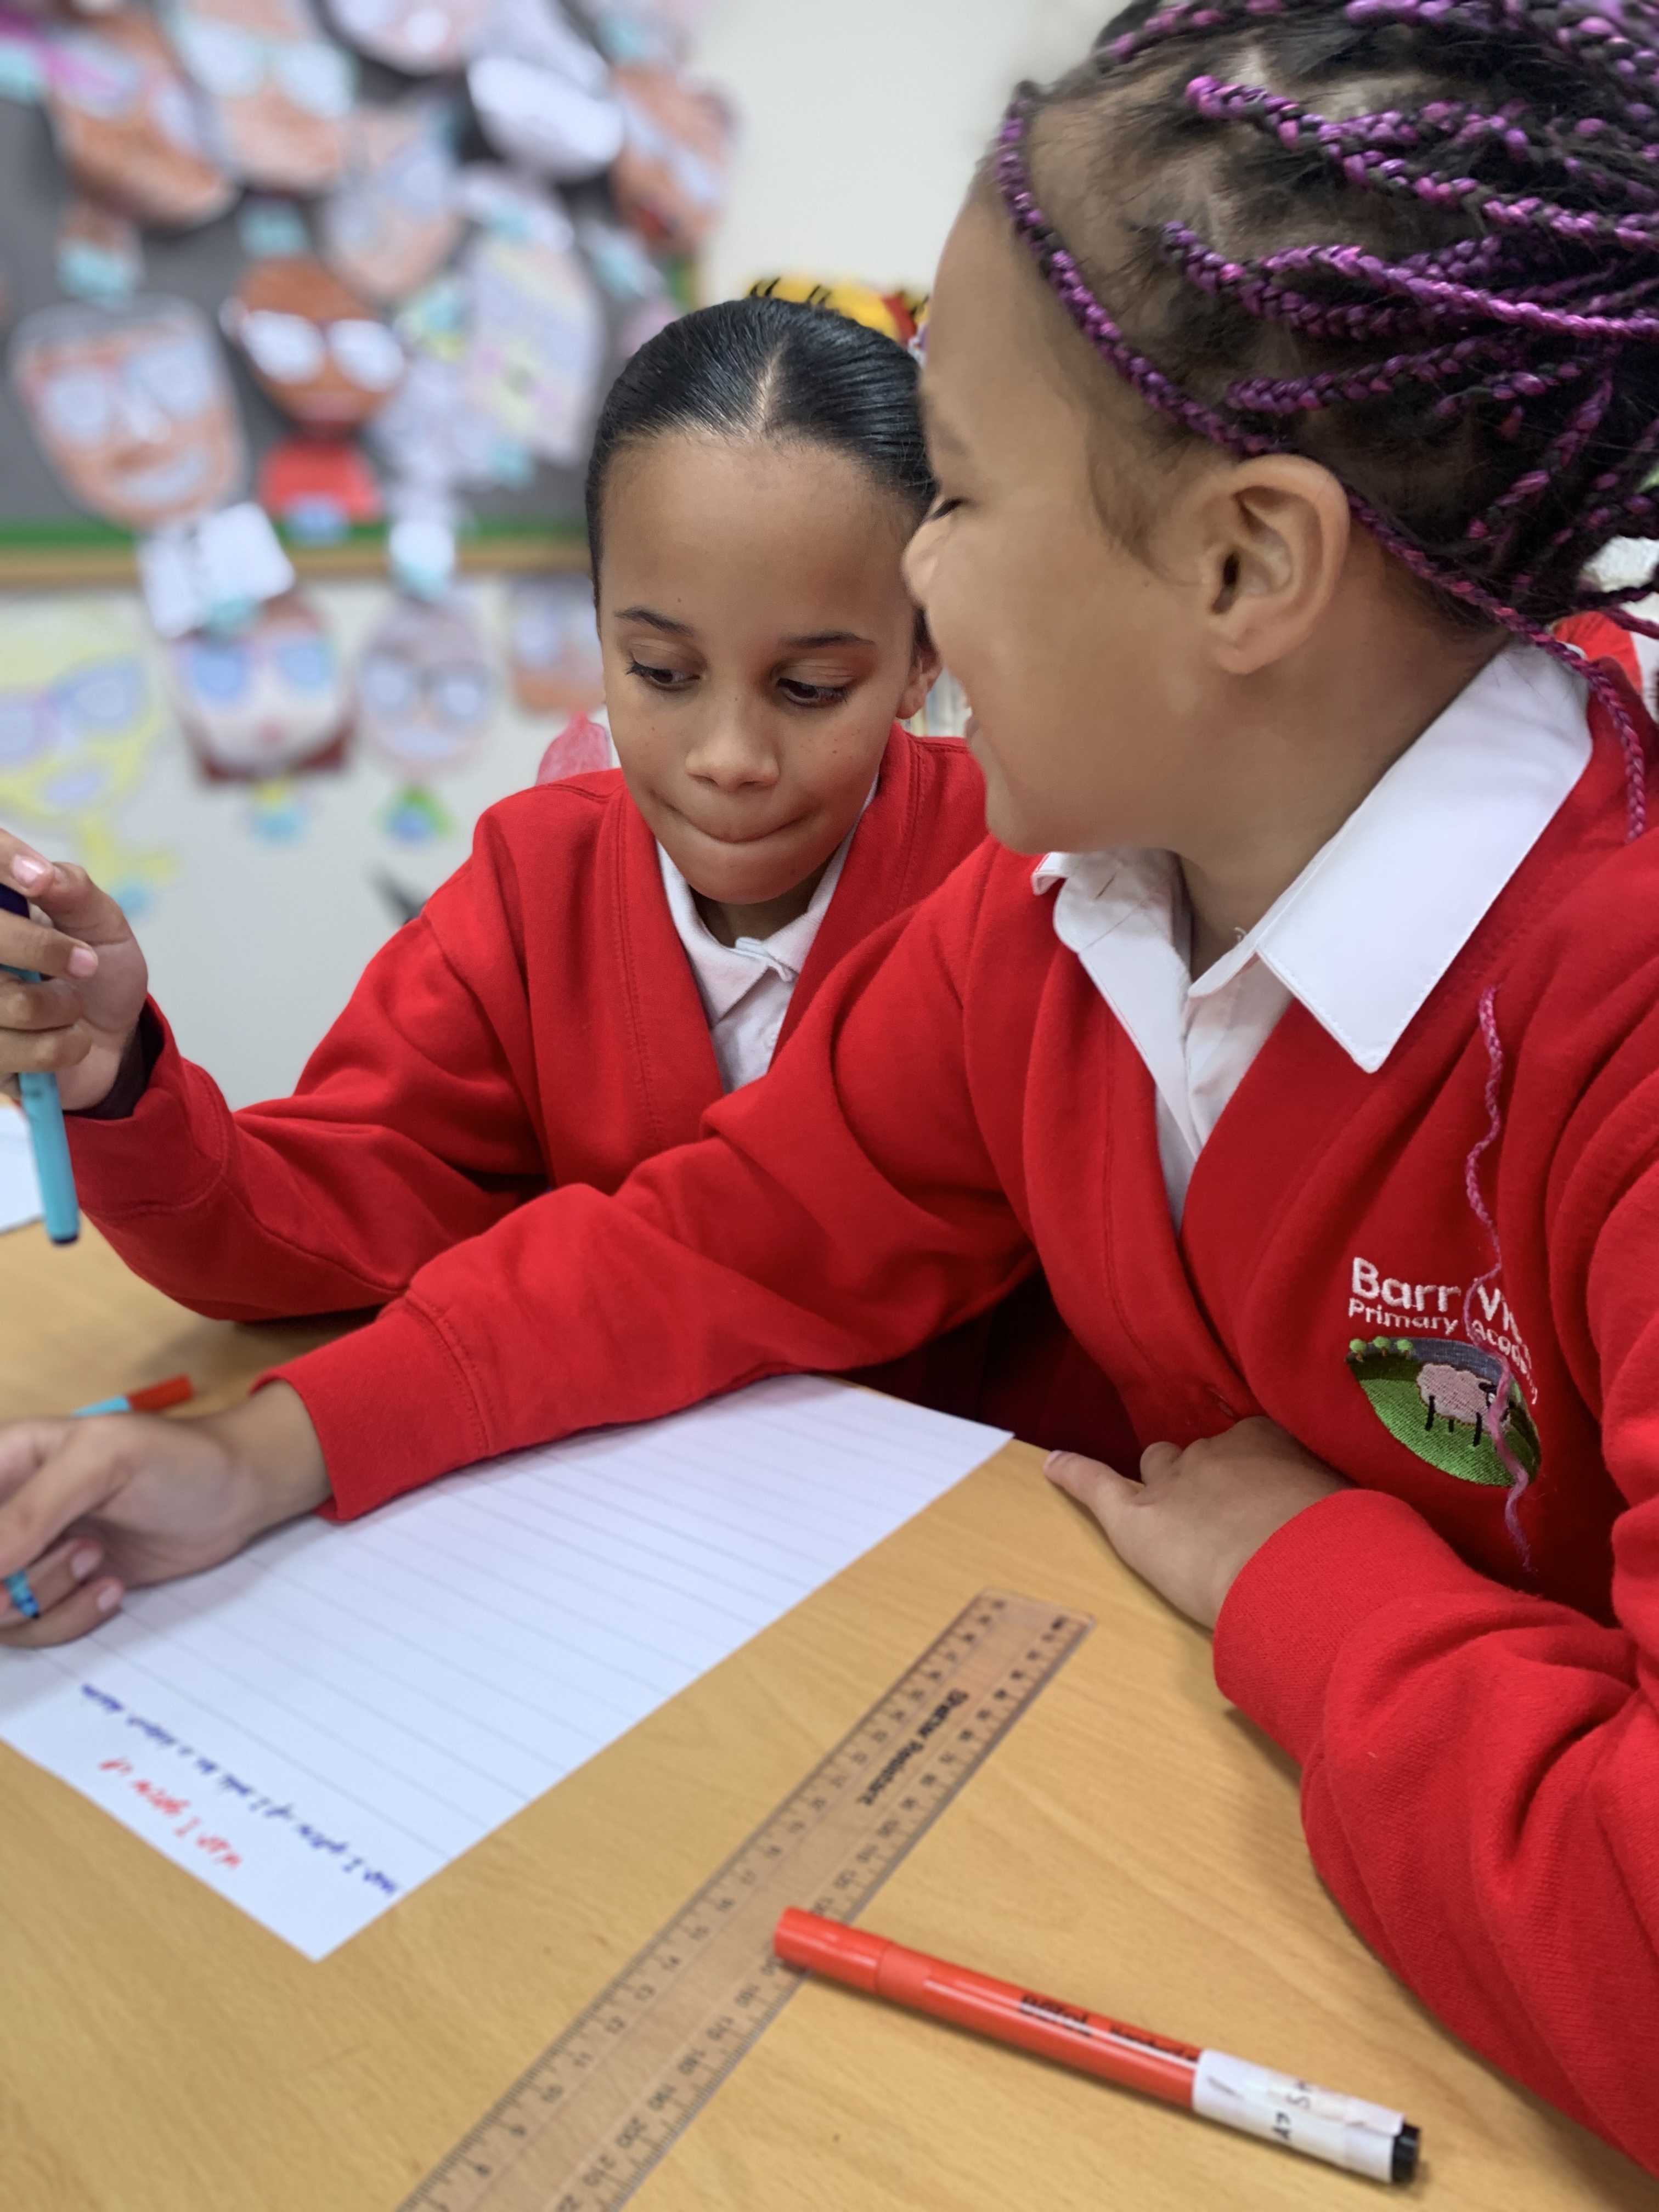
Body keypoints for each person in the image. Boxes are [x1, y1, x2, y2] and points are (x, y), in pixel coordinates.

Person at [4, 0, 1658, 2169]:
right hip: (1194, 1825)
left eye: (953, 492)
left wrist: (1306, 1584)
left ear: (1247, 565)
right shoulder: (1051, 915)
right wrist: (260, 1456)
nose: (921, 582)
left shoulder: (1610, 1016)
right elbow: (706, 1240)